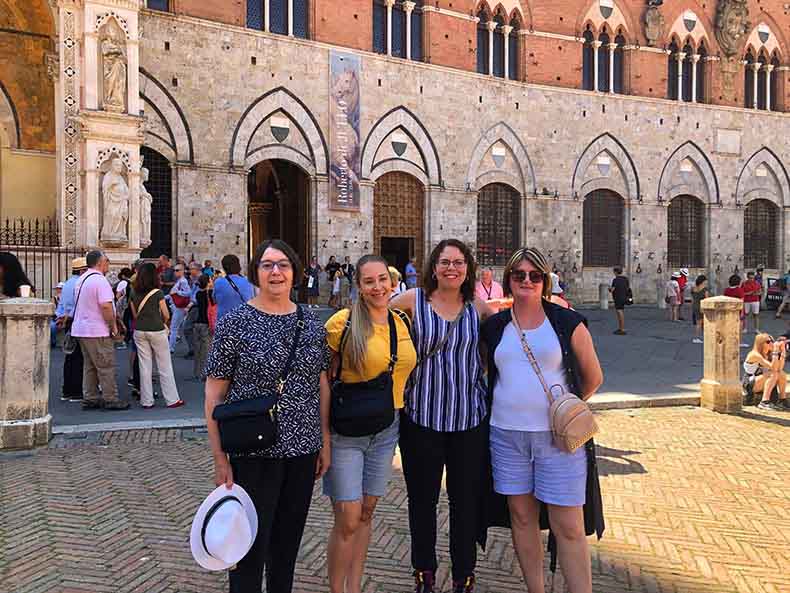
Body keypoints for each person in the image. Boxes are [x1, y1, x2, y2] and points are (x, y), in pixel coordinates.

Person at [204, 239, 331, 593]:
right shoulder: (236, 322)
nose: (275, 272)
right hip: (252, 451)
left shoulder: (311, 322)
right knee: (247, 549)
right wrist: (219, 457)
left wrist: (324, 441)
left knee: (286, 547)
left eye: (283, 265)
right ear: (255, 273)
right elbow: (214, 393)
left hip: (302, 450)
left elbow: (321, 385)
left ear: (295, 272)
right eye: (267, 265)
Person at [481, 247, 604, 593]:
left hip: (558, 441)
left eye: (535, 275)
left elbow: (592, 377)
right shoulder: (495, 327)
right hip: (506, 437)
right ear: (509, 280)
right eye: (519, 275)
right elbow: (490, 372)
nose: (527, 281)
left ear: (545, 281)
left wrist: (566, 411)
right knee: (522, 519)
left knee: (568, 525)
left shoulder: (567, 322)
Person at [390, 239, 494, 593]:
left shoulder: (479, 309)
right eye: (445, 262)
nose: (452, 268)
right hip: (422, 421)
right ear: (433, 267)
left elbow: (499, 347)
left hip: (469, 421)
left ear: (468, 269)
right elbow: (372, 316)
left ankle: (464, 574)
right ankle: (424, 572)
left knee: (465, 502)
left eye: (459, 262)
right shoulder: (411, 301)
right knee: (422, 501)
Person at [323, 255, 418, 593]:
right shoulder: (342, 324)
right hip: (347, 432)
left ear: (392, 283)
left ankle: (354, 587)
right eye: (369, 281)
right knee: (347, 519)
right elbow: (323, 379)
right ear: (359, 287)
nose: (378, 287)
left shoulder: (401, 322)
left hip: (387, 427)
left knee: (366, 512)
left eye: (383, 280)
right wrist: (323, 435)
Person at [70, 250, 129, 410]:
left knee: (89, 366)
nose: (108, 264)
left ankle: (91, 397)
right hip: (97, 330)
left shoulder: (82, 279)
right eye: (107, 261)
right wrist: (113, 326)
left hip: (82, 329)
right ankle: (110, 398)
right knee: (105, 365)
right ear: (99, 263)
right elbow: (105, 305)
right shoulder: (100, 281)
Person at [129, 263, 184, 409]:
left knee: (144, 365)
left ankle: (146, 400)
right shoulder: (157, 293)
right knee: (164, 365)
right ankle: (172, 399)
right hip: (156, 330)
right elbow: (166, 314)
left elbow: (135, 315)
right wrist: (163, 321)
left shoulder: (133, 292)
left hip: (139, 330)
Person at [57, 257, 89, 401]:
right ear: (82, 270)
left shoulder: (67, 283)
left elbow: (62, 306)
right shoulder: (80, 283)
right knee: (79, 358)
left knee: (70, 357)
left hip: (67, 321)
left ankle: (67, 390)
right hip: (77, 321)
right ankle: (76, 391)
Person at [743, 333, 790, 411]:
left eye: (772, 341)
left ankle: (782, 400)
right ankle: (764, 402)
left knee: (781, 373)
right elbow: (773, 368)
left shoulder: (769, 355)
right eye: (768, 342)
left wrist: (782, 351)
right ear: (761, 344)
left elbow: (779, 368)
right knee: (773, 374)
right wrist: (775, 351)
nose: (771, 343)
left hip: (763, 380)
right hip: (750, 383)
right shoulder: (755, 355)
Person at [213, 254, 255, 322]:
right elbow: (251, 300)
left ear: (224, 268)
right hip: (242, 321)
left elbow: (214, 300)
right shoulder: (247, 281)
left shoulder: (218, 282)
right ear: (238, 265)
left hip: (223, 322)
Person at [192, 274, 214, 381]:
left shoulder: (198, 294)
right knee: (206, 349)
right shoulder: (209, 294)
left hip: (197, 323)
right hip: (206, 323)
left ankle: (197, 372)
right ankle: (204, 373)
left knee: (198, 349)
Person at [168, 263, 191, 353]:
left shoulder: (183, 281)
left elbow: (188, 293)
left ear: (182, 271)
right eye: (174, 270)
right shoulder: (180, 281)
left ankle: (171, 348)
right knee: (178, 327)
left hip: (179, 307)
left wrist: (177, 292)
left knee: (174, 328)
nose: (175, 272)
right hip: (177, 306)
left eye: (177, 270)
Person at [182, 262, 203, 359]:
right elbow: (192, 293)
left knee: (187, 328)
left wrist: (189, 305)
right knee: (191, 328)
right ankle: (194, 349)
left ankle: (194, 350)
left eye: (191, 269)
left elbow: (196, 295)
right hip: (195, 307)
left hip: (196, 307)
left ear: (197, 270)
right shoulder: (195, 280)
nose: (189, 271)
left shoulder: (200, 280)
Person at [724, 274, 748, 346]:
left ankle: (728, 340)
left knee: (729, 327)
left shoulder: (727, 290)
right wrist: (742, 313)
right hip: (737, 310)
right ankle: (739, 342)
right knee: (739, 328)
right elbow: (741, 301)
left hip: (729, 310)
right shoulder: (739, 290)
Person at [609, 267, 630, 334]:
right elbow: (627, 287)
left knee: (619, 312)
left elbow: (612, 290)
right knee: (621, 312)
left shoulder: (615, 280)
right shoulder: (625, 279)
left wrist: (609, 289)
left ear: (615, 272)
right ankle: (621, 328)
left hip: (618, 297)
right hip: (624, 297)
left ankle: (622, 329)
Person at [691, 275, 709, 344]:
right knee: (701, 323)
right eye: (705, 281)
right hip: (702, 307)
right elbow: (706, 299)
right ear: (703, 281)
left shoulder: (693, 288)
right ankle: (697, 338)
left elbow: (692, 298)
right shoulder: (705, 289)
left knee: (699, 322)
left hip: (695, 306)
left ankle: (699, 337)